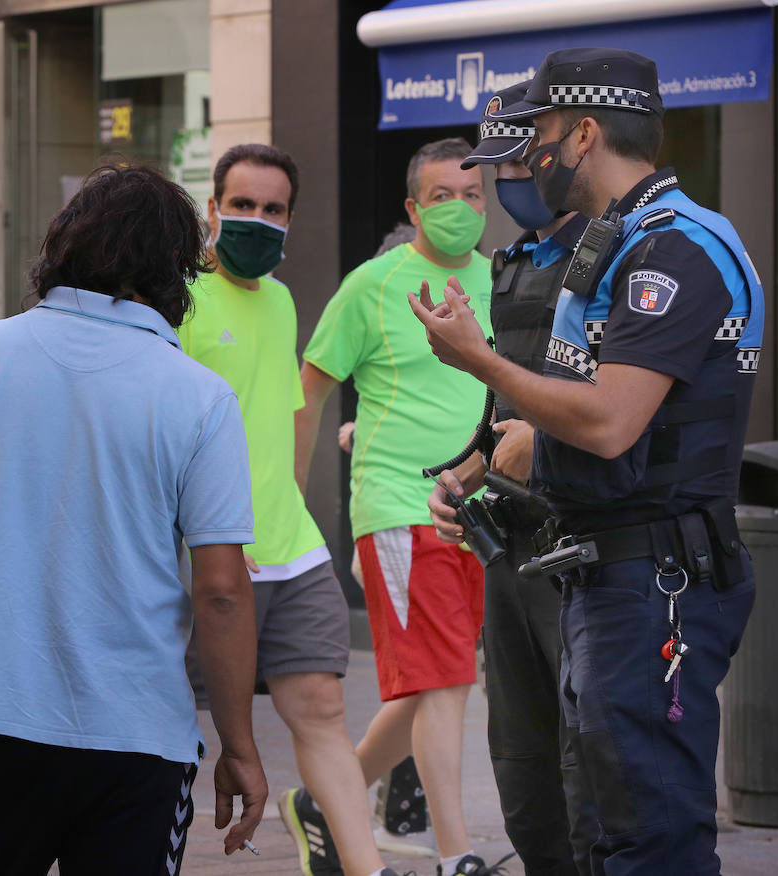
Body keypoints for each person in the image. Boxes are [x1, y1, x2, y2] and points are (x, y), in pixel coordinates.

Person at [413, 48, 763, 875]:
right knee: (596, 828)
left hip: (655, 577)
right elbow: (568, 413)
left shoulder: (675, 247)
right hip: (598, 572)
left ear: (583, 134)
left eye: (538, 134)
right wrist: (489, 457)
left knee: (649, 836)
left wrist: (479, 361)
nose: (528, 154)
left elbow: (607, 424)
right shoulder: (614, 243)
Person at [0, 165, 267, 874]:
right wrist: (240, 745)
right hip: (137, 740)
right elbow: (222, 590)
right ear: (176, 271)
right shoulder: (200, 396)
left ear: (63, 245)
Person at [178, 143, 394, 876]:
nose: (257, 219)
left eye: (273, 209)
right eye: (242, 204)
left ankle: (367, 869)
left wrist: (293, 501)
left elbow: (285, 417)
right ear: (213, 208)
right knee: (168, 720)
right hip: (205, 552)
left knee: (322, 709)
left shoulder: (281, 300)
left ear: (291, 220)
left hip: (290, 547)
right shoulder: (179, 300)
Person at [295, 138, 500, 876]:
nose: (460, 208)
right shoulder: (373, 284)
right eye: (443, 196)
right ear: (414, 208)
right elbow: (310, 391)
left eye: (472, 195)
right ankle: (457, 855)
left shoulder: (502, 280)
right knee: (446, 679)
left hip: (489, 513)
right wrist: (292, 501)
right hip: (400, 504)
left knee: (432, 680)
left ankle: (326, 799)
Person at [427, 82, 596, 876]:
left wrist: (543, 442)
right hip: (512, 553)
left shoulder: (618, 258)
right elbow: (503, 410)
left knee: (589, 764)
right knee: (522, 768)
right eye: (498, 168)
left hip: (585, 548)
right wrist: (464, 474)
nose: (510, 182)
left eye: (522, 161)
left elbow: (626, 409)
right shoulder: (513, 264)